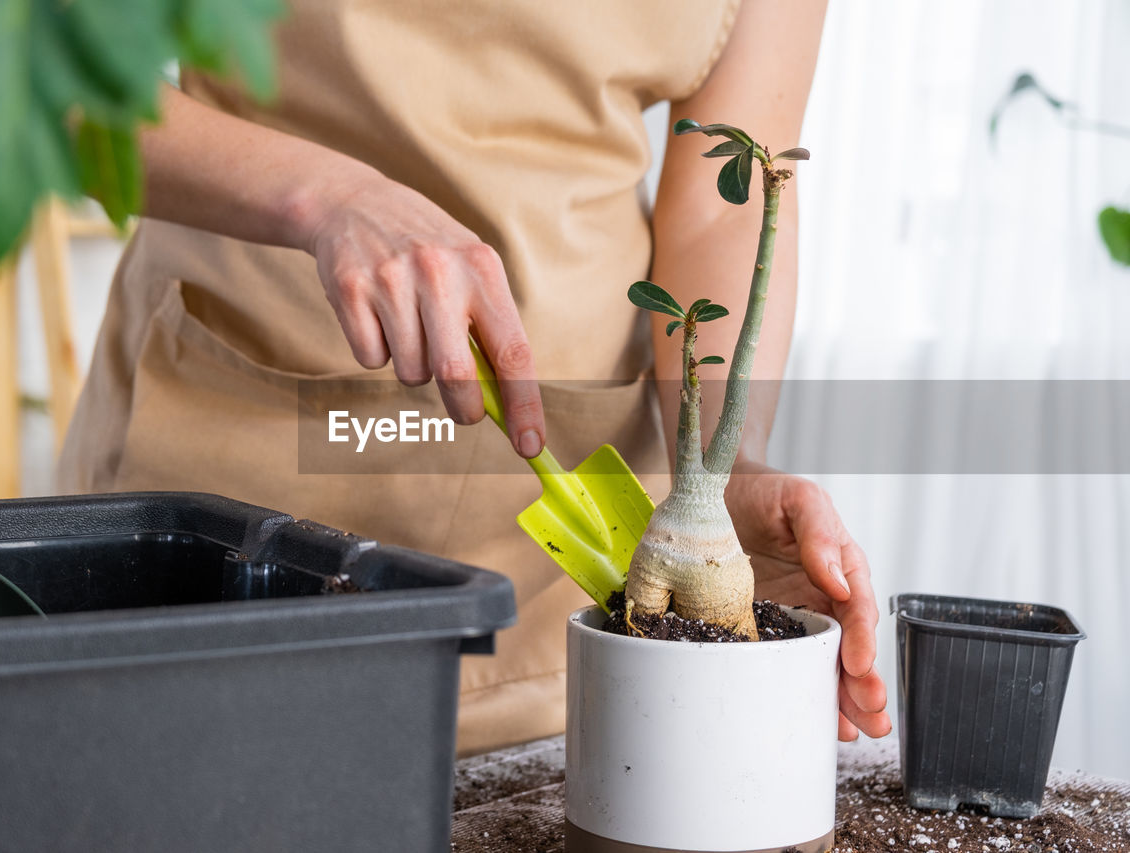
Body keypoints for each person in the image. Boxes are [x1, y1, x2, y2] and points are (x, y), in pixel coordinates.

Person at [60, 0, 890, 753]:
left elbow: (722, 204)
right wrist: (327, 196)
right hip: (229, 481)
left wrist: (718, 470)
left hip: (556, 581)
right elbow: (31, 74)